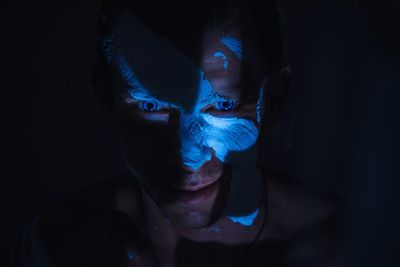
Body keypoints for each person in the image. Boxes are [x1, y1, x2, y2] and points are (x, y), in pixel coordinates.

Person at [11, 1, 341, 266]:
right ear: (105, 97)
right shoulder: (56, 247)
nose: (187, 156)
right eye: (151, 107)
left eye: (223, 108)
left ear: (275, 101)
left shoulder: (354, 244)